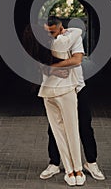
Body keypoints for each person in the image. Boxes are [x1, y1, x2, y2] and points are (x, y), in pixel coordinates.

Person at [40, 17, 105, 181]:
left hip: (77, 87)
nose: (50, 35)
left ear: (61, 29)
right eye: (48, 32)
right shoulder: (45, 41)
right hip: (55, 89)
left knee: (84, 126)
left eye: (53, 32)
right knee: (54, 128)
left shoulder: (72, 37)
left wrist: (52, 67)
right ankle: (54, 163)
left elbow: (77, 59)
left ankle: (91, 162)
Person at [22, 22, 86, 186]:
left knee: (58, 134)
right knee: (72, 130)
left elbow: (35, 67)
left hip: (47, 92)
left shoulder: (39, 50)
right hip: (65, 91)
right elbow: (78, 32)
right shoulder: (60, 42)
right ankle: (77, 170)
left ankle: (69, 172)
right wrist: (64, 30)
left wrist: (50, 68)